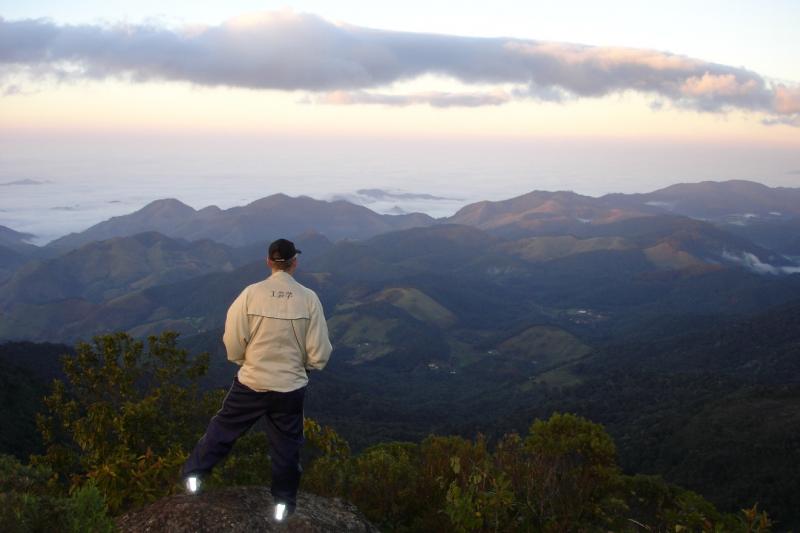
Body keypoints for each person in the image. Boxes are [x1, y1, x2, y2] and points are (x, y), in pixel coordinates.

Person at [180, 238, 332, 521]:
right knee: (286, 447)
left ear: (269, 262)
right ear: (294, 262)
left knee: (224, 428)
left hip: (251, 381)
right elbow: (319, 351)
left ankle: (194, 476)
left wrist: (243, 361)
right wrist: (306, 368)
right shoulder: (308, 298)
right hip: (289, 387)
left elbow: (233, 337)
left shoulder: (251, 294)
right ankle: (282, 504)